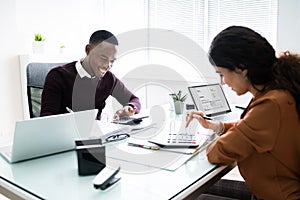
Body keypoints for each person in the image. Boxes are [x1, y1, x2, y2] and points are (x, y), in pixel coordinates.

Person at [186, 26, 300, 200]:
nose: (222, 82)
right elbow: (252, 127)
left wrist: (210, 142)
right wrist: (218, 127)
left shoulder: (272, 104)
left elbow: (218, 152)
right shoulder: (275, 92)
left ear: (241, 68)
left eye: (221, 74)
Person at [40, 30, 141, 120]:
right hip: (64, 136)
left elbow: (134, 100)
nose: (108, 66)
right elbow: (46, 119)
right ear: (88, 50)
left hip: (96, 136)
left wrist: (129, 108)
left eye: (112, 61)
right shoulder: (58, 76)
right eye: (103, 58)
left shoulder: (109, 79)